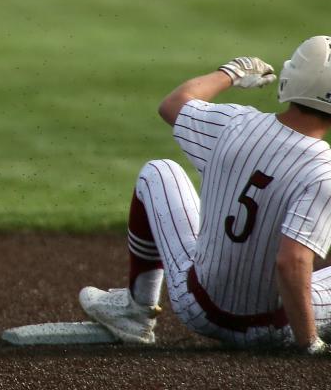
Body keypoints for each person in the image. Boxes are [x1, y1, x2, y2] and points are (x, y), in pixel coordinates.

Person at [79, 38, 331, 353]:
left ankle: (136, 312)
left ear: (291, 79)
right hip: (278, 327)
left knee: (159, 171)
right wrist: (309, 343)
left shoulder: (234, 123)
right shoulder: (324, 173)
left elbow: (173, 104)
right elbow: (291, 261)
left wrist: (231, 72)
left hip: (197, 306)